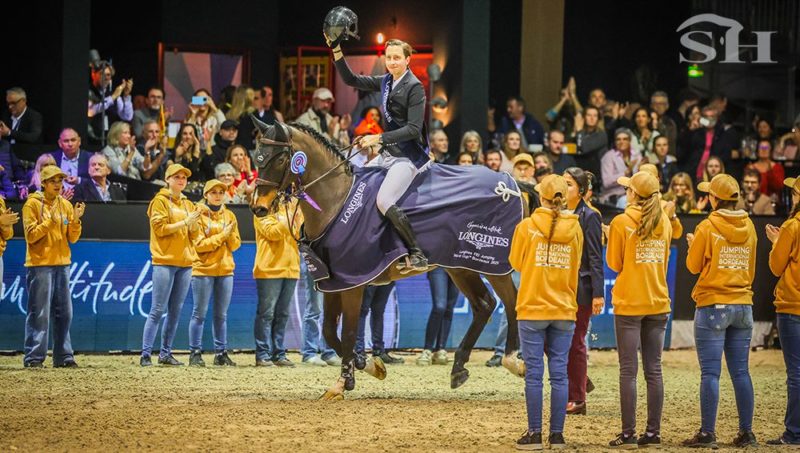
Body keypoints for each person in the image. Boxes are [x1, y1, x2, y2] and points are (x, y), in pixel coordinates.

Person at [330, 37, 431, 272]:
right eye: (389, 57)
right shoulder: (386, 81)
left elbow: (414, 129)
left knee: (384, 200)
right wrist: (336, 50)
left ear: (407, 60)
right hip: (388, 153)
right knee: (357, 186)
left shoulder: (415, 87)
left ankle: (416, 253)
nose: (392, 62)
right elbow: (350, 79)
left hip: (408, 156)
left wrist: (378, 138)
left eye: (397, 58)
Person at [683, 174, 758, 448]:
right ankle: (746, 433)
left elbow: (693, 266)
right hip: (743, 303)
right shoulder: (750, 227)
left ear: (714, 198)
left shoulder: (707, 226)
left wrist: (693, 247)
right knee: (741, 372)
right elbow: (750, 268)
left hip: (713, 303)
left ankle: (707, 433)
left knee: (711, 373)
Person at [509, 174, 583, 450]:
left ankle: (534, 434)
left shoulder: (527, 226)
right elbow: (575, 264)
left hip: (532, 307)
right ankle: (557, 435)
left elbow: (516, 263)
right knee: (559, 374)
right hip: (564, 308)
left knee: (534, 375)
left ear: (540, 197)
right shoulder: (575, 228)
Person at [606, 171, 672, 448]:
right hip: (657, 300)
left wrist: (611, 237)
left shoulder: (621, 222)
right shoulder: (664, 222)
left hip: (630, 303)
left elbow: (614, 263)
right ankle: (653, 434)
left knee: (628, 371)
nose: (625, 192)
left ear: (633, 194)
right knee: (654, 370)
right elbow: (664, 260)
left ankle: (628, 433)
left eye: (628, 189)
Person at [22, 166, 85, 367]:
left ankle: (64, 356)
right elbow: (31, 236)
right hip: (40, 265)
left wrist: (75, 221)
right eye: (53, 181)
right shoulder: (31, 205)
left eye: (60, 181)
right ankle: (34, 357)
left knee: (65, 313)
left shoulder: (65, 205)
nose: (58, 185)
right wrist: (49, 223)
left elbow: (73, 238)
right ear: (44, 183)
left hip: (63, 264)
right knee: (39, 313)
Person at [140, 164, 200, 367]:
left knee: (175, 311)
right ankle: (145, 354)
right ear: (168, 179)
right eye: (177, 177)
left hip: (185, 263)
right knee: (157, 309)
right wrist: (185, 222)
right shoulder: (160, 201)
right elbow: (160, 229)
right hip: (164, 261)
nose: (181, 180)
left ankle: (165, 353)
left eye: (184, 177)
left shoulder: (188, 204)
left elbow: (195, 234)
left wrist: (191, 225)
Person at [563, 167, 604, 416]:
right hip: (559, 287)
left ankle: (578, 399)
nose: (564, 187)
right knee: (551, 339)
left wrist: (598, 293)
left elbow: (595, 257)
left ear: (581, 190)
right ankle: (581, 378)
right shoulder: (557, 213)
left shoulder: (589, 216)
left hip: (582, 289)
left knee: (576, 342)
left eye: (568, 184)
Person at [188, 179, 241, 367]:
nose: (218, 195)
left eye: (221, 192)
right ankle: (195, 353)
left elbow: (235, 245)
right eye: (214, 192)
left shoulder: (230, 216)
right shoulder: (198, 215)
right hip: (202, 270)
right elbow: (200, 246)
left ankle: (221, 353)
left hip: (226, 270)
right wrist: (223, 236)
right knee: (199, 314)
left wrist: (230, 236)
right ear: (206, 195)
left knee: (221, 315)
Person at [765, 176, 800, 447]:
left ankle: (794, 432)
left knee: (796, 373)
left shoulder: (792, 226)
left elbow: (777, 268)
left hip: (793, 306)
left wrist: (777, 243)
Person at [253, 200, 302, 367]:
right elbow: (272, 233)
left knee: (282, 314)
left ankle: (279, 353)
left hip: (291, 268)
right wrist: (289, 218)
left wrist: (294, 218)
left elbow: (299, 235)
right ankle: (262, 354)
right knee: (266, 314)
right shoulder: (262, 209)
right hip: (269, 269)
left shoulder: (294, 208)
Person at [417, 268, 460, 366]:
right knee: (439, 307)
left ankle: (440, 350)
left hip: (458, 266)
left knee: (449, 308)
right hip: (438, 264)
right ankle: (427, 350)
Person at [356, 283, 404, 364]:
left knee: (378, 311)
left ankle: (378, 351)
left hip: (387, 274)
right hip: (369, 275)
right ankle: (359, 352)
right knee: (362, 310)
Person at [87, 62, 133, 147]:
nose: (105, 78)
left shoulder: (113, 94)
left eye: (108, 75)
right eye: (102, 74)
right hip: (92, 139)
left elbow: (127, 116)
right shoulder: (89, 91)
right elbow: (90, 111)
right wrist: (112, 97)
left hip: (110, 140)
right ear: (93, 74)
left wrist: (126, 96)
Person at [600, 128, 642, 206]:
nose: (621, 142)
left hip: (635, 195)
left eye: (625, 139)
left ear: (630, 141)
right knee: (624, 201)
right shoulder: (609, 156)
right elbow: (606, 182)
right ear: (615, 142)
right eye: (618, 139)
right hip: (614, 196)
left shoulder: (637, 156)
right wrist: (625, 173)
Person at [574, 105, 608, 183]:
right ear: (584, 118)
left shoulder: (602, 135)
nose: (592, 118)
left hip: (595, 176)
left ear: (598, 119)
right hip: (578, 173)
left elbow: (583, 148)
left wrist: (579, 131)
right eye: (589, 115)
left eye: (595, 115)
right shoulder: (580, 133)